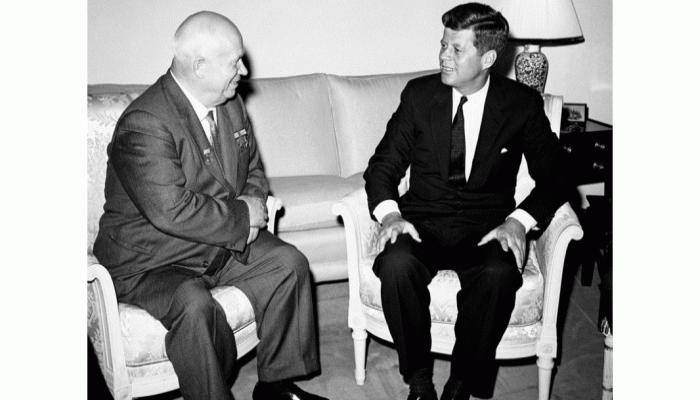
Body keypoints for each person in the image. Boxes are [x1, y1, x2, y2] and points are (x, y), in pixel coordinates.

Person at [93, 11, 327, 400]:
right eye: (235, 61)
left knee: (289, 265)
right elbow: (172, 209)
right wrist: (244, 217)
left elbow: (254, 169)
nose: (244, 70)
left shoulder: (230, 104)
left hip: (216, 242)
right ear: (200, 67)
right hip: (153, 260)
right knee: (195, 306)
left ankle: (276, 387)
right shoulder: (145, 123)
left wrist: (253, 201)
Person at [363, 3, 570, 400]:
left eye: (456, 49)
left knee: (498, 274)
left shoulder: (521, 104)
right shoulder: (419, 96)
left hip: (486, 226)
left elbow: (557, 176)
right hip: (422, 221)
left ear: (487, 58)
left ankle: (461, 384)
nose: (443, 55)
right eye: (443, 44)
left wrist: (519, 221)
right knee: (396, 263)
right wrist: (390, 216)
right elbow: (382, 167)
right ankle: (419, 381)